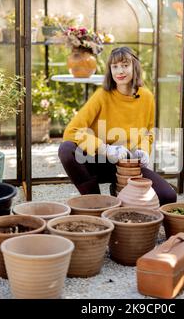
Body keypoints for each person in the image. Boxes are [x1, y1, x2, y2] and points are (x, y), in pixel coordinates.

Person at [59, 46, 176, 206]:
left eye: (125, 65)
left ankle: (118, 188)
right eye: (115, 66)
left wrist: (143, 151)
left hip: (127, 164)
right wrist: (105, 149)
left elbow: (148, 133)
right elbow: (72, 131)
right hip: (97, 160)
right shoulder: (102, 95)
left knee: (168, 197)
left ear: (134, 66)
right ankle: (96, 202)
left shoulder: (147, 97)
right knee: (66, 149)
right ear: (110, 70)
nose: (120, 71)